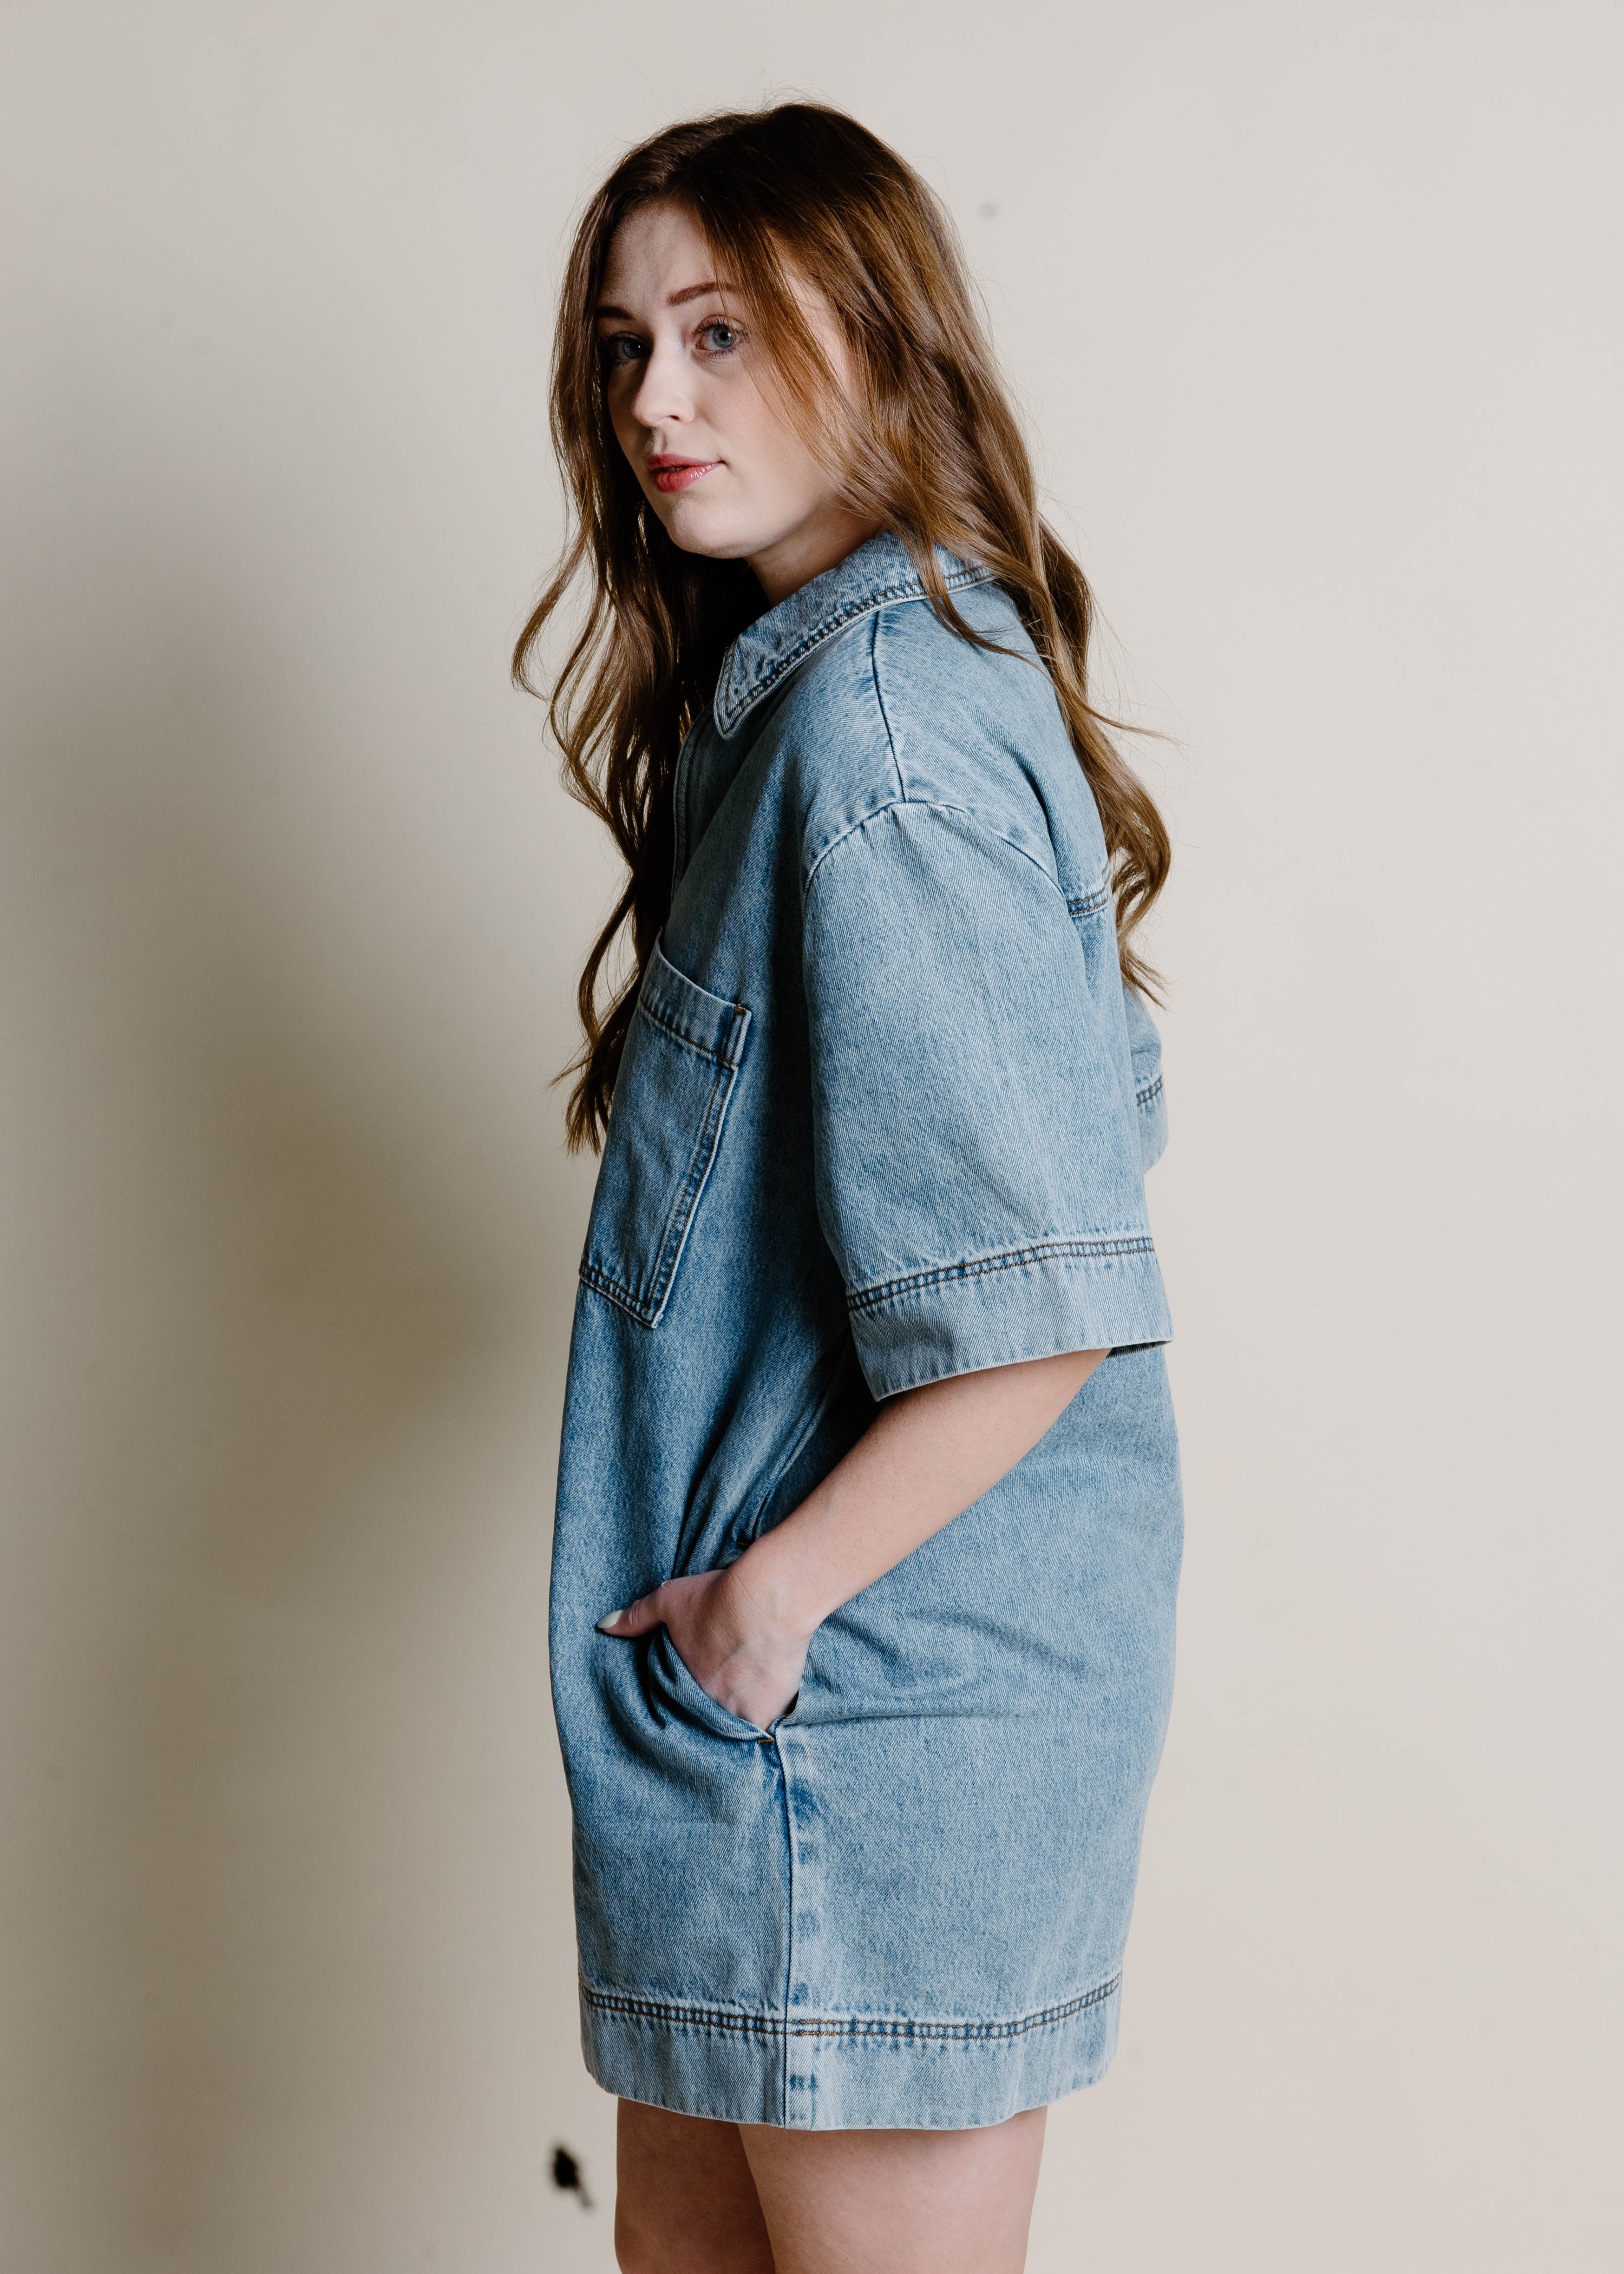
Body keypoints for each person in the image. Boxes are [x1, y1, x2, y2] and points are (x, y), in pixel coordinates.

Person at [515, 102, 1181, 2274]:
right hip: (767, 1743)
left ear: (879, 337)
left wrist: (770, 1605)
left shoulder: (882, 736)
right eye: (627, 345)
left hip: (860, 1731)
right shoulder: (808, 703)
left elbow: (1036, 1308)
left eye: (719, 331)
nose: (656, 399)